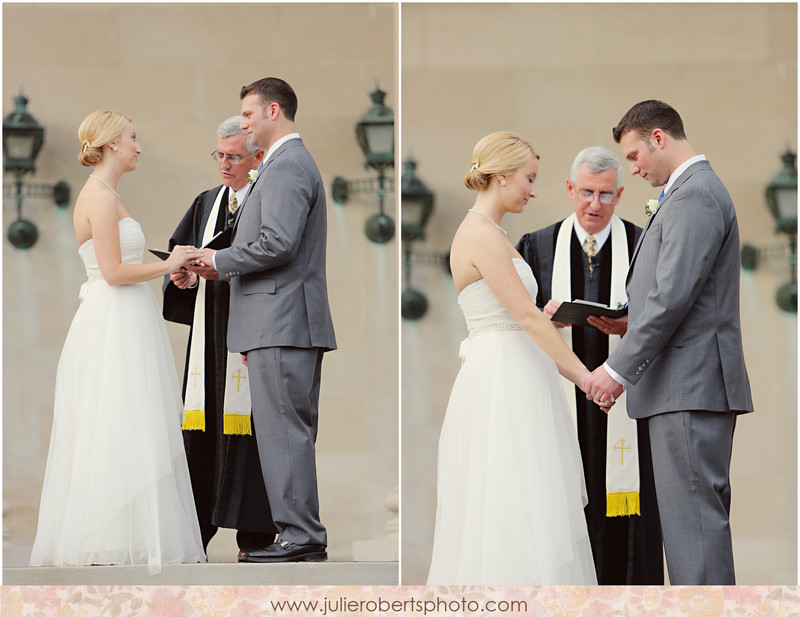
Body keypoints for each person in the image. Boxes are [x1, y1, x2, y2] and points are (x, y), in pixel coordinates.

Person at [29, 110, 206, 574]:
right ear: (109, 144)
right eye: (132, 138)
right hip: (113, 320)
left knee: (133, 421)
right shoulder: (100, 198)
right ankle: (108, 539)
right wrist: (170, 265)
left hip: (127, 317)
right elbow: (112, 272)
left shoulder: (108, 195)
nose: (138, 147)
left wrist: (174, 271)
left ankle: (131, 533)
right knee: (114, 420)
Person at [586, 100, 754, 584]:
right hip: (684, 384)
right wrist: (627, 322)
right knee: (690, 528)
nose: (632, 169)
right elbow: (679, 296)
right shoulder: (689, 192)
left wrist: (616, 371)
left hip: (689, 384)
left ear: (659, 138)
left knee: (694, 530)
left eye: (635, 156)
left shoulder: (695, 195)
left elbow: (672, 296)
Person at [427, 131, 599, 585]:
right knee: (508, 501)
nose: (533, 189)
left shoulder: (495, 233)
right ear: (502, 176)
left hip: (520, 371)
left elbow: (523, 315)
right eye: (529, 178)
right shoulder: (480, 235)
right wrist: (586, 377)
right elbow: (524, 315)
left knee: (532, 502)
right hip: (502, 381)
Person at [189, 77, 336, 563]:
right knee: (283, 430)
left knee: (284, 431)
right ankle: (298, 532)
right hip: (278, 321)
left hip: (282, 320)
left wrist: (218, 263)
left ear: (273, 111)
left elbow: (278, 242)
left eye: (249, 115)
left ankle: (301, 536)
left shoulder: (288, 164)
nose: (244, 124)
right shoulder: (280, 164)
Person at [516, 146, 663, 584]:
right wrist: (544, 318)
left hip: (628, 407)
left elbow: (662, 315)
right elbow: (519, 320)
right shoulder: (537, 246)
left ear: (620, 194)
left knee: (630, 517)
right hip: (561, 403)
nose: (594, 205)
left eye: (605, 195)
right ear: (569, 189)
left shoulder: (643, 242)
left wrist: (626, 323)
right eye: (585, 193)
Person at [162, 116, 278, 559]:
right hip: (208, 343)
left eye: (234, 156)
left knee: (252, 428)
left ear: (257, 157)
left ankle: (256, 538)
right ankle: (195, 536)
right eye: (220, 155)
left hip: (250, 335)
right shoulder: (206, 203)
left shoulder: (266, 202)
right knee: (202, 431)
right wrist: (181, 278)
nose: (224, 165)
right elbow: (180, 257)